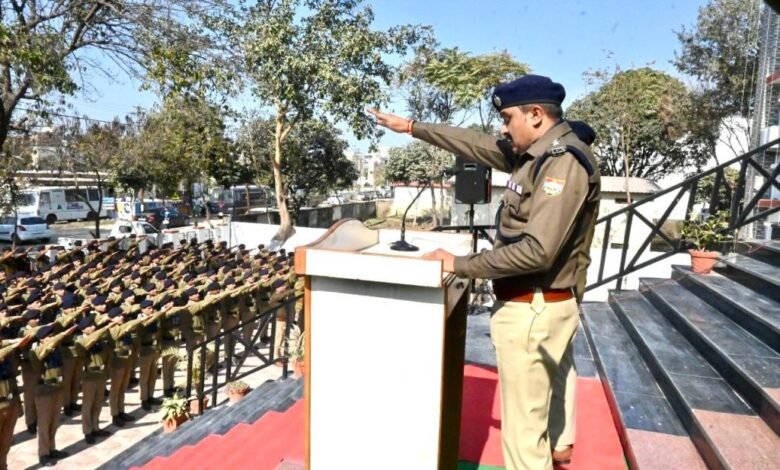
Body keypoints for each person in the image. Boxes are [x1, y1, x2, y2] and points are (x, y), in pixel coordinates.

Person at [368, 74, 601, 470]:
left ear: (536, 114)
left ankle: (552, 453)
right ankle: (560, 448)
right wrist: (412, 128)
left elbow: (537, 252)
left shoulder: (560, 162)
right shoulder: (536, 155)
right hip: (547, 304)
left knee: (523, 438)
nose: (504, 129)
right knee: (550, 398)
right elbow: (474, 144)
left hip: (533, 307)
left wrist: (459, 264)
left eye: (508, 119)